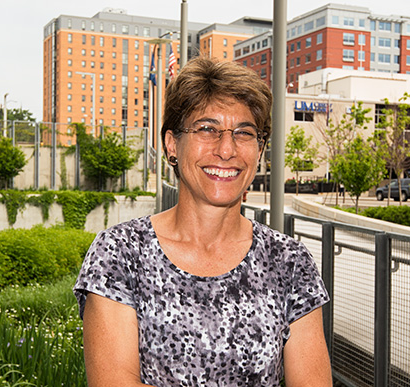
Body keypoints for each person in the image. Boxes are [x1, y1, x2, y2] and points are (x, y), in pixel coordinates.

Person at [74, 57, 332, 386]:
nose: (227, 149)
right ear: (172, 144)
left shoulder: (289, 262)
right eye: (207, 129)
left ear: (259, 149)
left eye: (244, 133)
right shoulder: (121, 254)